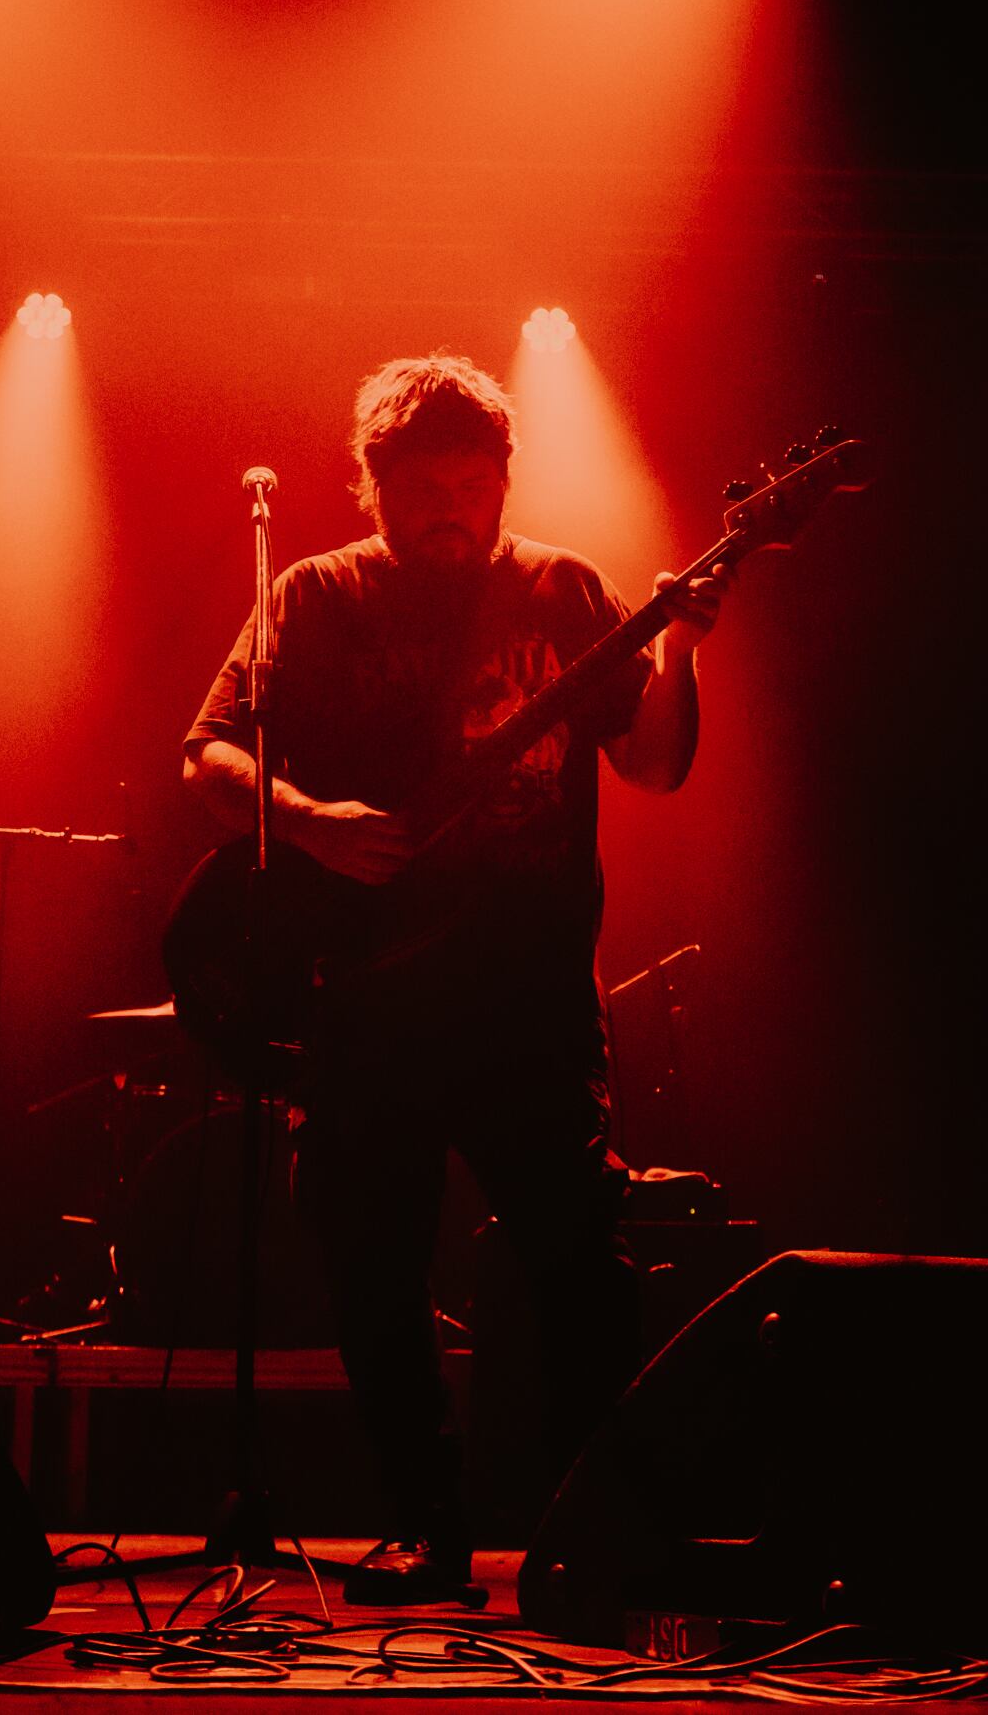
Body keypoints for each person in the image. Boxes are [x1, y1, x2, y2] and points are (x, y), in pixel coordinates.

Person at [182, 355, 728, 1604]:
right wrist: (309, 819)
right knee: (373, 1265)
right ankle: (430, 1535)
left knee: (579, 1263)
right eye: (421, 488)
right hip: (364, 1000)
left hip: (529, 997)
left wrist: (684, 647)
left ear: (503, 481)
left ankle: (596, 1533)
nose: (449, 511)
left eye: (471, 487)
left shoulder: (560, 589)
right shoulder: (315, 596)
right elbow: (203, 755)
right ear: (370, 486)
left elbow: (651, 765)